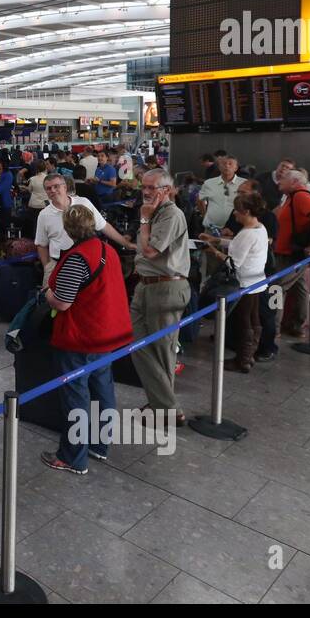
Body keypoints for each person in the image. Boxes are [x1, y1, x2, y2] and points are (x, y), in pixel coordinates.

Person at [42, 205, 133, 474]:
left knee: (76, 395)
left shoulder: (77, 258)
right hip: (107, 334)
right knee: (103, 388)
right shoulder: (108, 251)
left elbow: (62, 303)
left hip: (81, 337)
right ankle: (99, 445)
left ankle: (72, 457)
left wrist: (47, 292)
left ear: (68, 230)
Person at [129, 169, 190, 428]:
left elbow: (152, 250)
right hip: (146, 285)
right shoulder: (155, 213)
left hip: (166, 288)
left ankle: (167, 409)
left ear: (166, 190)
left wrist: (143, 221)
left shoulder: (171, 214)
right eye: (143, 186)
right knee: (138, 346)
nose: (145, 191)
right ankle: (162, 403)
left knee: (163, 350)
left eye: (152, 187)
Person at [202, 193, 269, 372]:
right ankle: (249, 355)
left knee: (244, 320)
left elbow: (233, 263)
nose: (234, 215)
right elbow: (240, 248)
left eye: (237, 211)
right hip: (257, 280)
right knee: (254, 319)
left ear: (246, 211)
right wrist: (217, 240)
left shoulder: (246, 234)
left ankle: (243, 359)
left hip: (243, 282)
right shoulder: (260, 228)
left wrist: (213, 251)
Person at [34, 172, 134, 277]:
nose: (53, 190)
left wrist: (125, 243)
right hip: (58, 264)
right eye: (48, 188)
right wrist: (48, 267)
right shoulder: (44, 215)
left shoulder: (83, 203)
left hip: (87, 262)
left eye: (56, 186)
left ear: (65, 187)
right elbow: (41, 244)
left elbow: (104, 226)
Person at [273, 169, 310, 335]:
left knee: (276, 287)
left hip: (290, 253)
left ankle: (272, 328)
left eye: (283, 179)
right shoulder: (290, 198)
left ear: (294, 182)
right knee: (300, 288)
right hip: (288, 251)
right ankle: (297, 325)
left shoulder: (301, 196)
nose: (278, 181)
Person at [197, 153, 242, 230]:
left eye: (230, 164)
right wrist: (205, 216)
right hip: (211, 228)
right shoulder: (209, 183)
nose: (227, 166)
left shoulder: (244, 184)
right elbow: (200, 200)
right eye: (224, 164)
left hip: (235, 229)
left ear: (236, 168)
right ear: (219, 167)